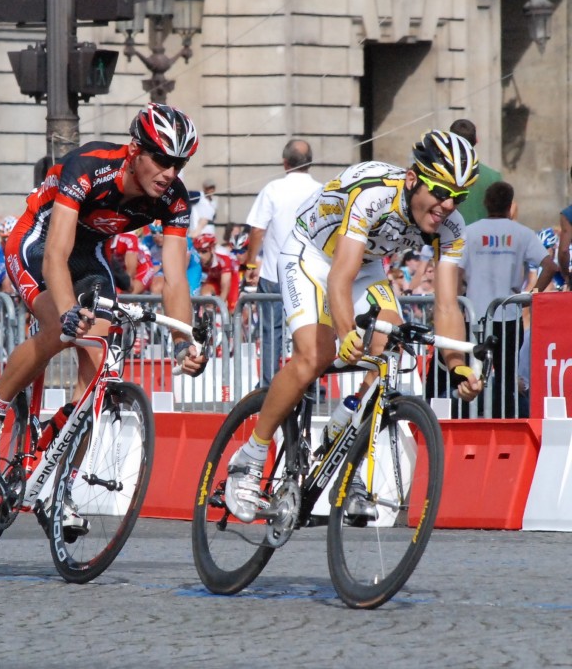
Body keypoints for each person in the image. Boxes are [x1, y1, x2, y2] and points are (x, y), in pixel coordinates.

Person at [0, 103, 208, 533]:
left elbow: (174, 279)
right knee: (62, 328)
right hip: (37, 242)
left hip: (90, 255)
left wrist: (184, 341)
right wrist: (67, 313)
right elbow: (55, 255)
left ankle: (61, 490)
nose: (171, 172)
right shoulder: (89, 166)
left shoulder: (173, 199)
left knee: (99, 372)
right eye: (163, 159)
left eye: (179, 163)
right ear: (136, 150)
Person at [225, 129, 485, 523]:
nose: (447, 205)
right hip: (312, 255)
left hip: (364, 267)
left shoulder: (451, 228)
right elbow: (337, 278)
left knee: (395, 348)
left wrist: (457, 365)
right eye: (440, 191)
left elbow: (447, 304)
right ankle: (251, 456)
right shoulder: (375, 193)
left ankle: (347, 434)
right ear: (414, 179)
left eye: (458, 197)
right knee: (315, 355)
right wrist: (346, 332)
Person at [461, 181, 556, 418]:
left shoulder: (469, 232)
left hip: (475, 313)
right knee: (506, 376)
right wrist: (530, 296)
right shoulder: (522, 233)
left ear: (486, 203)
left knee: (471, 372)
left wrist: (459, 296)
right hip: (508, 313)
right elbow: (549, 265)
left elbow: (456, 271)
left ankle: (465, 418)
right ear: (511, 206)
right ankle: (505, 421)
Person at [242, 138, 321, 387]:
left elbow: (257, 230)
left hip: (275, 273)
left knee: (271, 331)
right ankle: (309, 381)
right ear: (310, 163)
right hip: (311, 274)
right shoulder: (322, 189)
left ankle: (268, 382)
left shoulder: (274, 189)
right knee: (310, 329)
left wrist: (251, 265)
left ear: (285, 162)